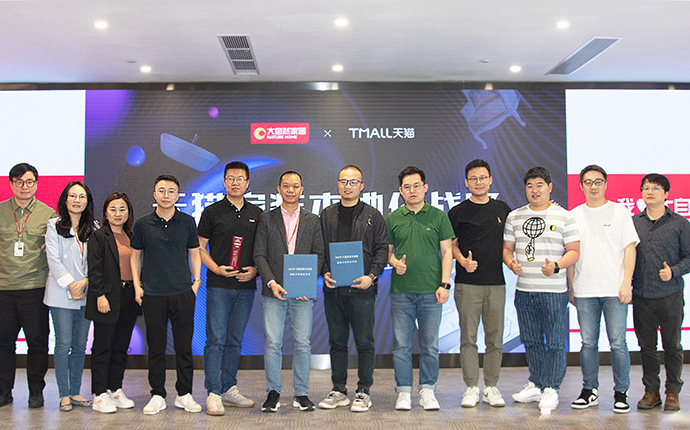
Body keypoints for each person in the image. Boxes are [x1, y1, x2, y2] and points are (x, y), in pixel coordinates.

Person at [503, 166, 579, 412]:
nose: (534, 190)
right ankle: (536, 382)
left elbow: (574, 251)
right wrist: (511, 263)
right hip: (525, 290)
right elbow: (507, 249)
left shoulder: (564, 216)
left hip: (554, 291)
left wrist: (556, 266)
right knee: (531, 340)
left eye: (539, 185)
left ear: (550, 187)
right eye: (530, 186)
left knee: (555, 342)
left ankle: (552, 387)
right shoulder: (514, 216)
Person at [567, 165, 638, 414]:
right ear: (581, 186)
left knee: (618, 343)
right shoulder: (574, 215)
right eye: (588, 182)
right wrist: (571, 286)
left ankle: (621, 393)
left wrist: (626, 283)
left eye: (598, 181)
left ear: (606, 184)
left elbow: (630, 249)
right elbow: (571, 253)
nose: (593, 186)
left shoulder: (620, 211)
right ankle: (589, 390)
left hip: (614, 290)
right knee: (588, 343)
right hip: (585, 289)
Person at [253, 171, 325, 413]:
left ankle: (301, 393)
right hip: (273, 291)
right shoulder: (266, 219)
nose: (291, 190)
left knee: (303, 343)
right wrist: (271, 281)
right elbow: (259, 254)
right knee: (273, 343)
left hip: (302, 293)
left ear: (302, 190)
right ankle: (273, 392)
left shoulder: (313, 220)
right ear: (279, 189)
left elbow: (319, 254)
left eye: (295, 186)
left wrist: (307, 284)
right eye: (286, 186)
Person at [318, 165, 388, 412]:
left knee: (364, 342)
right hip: (334, 290)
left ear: (362, 186)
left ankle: (363, 390)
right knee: (337, 342)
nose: (348, 186)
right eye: (343, 181)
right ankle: (338, 389)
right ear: (338, 184)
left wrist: (372, 276)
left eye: (353, 182)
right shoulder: (326, 214)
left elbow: (382, 249)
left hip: (362, 290)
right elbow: (319, 248)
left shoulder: (373, 215)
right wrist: (324, 271)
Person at [130, 175, 202, 415]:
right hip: (153, 293)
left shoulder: (187, 222)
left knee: (184, 347)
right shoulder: (143, 224)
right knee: (156, 347)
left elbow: (194, 252)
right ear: (154, 194)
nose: (166, 195)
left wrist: (196, 282)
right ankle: (157, 394)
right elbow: (135, 256)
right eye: (161, 190)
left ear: (177, 195)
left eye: (171, 191)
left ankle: (184, 394)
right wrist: (138, 286)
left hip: (182, 292)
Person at [385, 166, 454, 411]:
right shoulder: (393, 218)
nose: (412, 190)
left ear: (425, 187)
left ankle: (427, 390)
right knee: (401, 345)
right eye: (407, 187)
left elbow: (447, 251)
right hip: (401, 292)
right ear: (400, 191)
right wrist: (395, 263)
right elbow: (387, 253)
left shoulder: (438, 216)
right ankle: (403, 391)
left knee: (430, 346)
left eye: (416, 186)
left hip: (431, 291)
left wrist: (445, 284)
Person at [198, 161, 262, 416]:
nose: (235, 183)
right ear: (224, 182)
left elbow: (262, 250)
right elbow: (199, 247)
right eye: (231, 178)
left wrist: (255, 270)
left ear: (248, 183)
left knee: (235, 340)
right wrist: (216, 269)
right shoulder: (212, 212)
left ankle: (229, 388)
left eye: (240, 179)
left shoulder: (257, 214)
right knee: (215, 340)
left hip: (246, 287)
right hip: (219, 285)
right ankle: (213, 392)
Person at [447, 159, 511, 408]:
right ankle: (471, 387)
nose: (478, 182)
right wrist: (462, 260)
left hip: (496, 283)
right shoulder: (458, 212)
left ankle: (491, 387)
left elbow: (514, 237)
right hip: (467, 284)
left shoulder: (502, 209)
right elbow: (450, 245)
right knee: (468, 338)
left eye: (482, 177)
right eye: (473, 178)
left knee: (495, 338)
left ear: (490, 180)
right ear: (466, 182)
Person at [632, 173, 690, 411]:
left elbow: (689, 257)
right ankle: (651, 392)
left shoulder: (680, 223)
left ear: (666, 193)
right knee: (647, 347)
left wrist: (674, 271)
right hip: (642, 295)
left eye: (655, 188)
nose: (650, 192)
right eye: (646, 188)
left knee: (672, 346)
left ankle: (673, 392)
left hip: (670, 295)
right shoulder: (633, 223)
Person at [0, 163, 56, 408]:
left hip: (35, 289)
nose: (25, 186)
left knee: (38, 343)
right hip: (3, 289)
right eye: (19, 182)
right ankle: (4, 391)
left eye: (29, 182)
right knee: (3, 344)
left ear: (36, 184)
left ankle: (36, 391)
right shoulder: (1, 211)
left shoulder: (48, 214)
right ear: (11, 183)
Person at [86, 192, 142, 413]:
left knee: (120, 347)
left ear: (128, 213)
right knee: (103, 347)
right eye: (113, 209)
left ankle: (115, 389)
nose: (118, 214)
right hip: (106, 298)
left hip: (128, 297)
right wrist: (100, 295)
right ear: (106, 213)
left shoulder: (131, 236)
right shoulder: (99, 236)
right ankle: (99, 394)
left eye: (122, 209)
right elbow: (94, 269)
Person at [43, 181, 96, 411]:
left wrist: (84, 283)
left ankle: (75, 391)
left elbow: (96, 260)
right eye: (73, 196)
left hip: (85, 291)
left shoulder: (93, 227)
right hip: (60, 293)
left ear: (87, 201)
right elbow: (53, 260)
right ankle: (64, 394)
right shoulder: (54, 225)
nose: (77, 200)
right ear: (65, 200)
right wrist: (71, 285)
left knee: (80, 345)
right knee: (63, 343)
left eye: (81, 196)